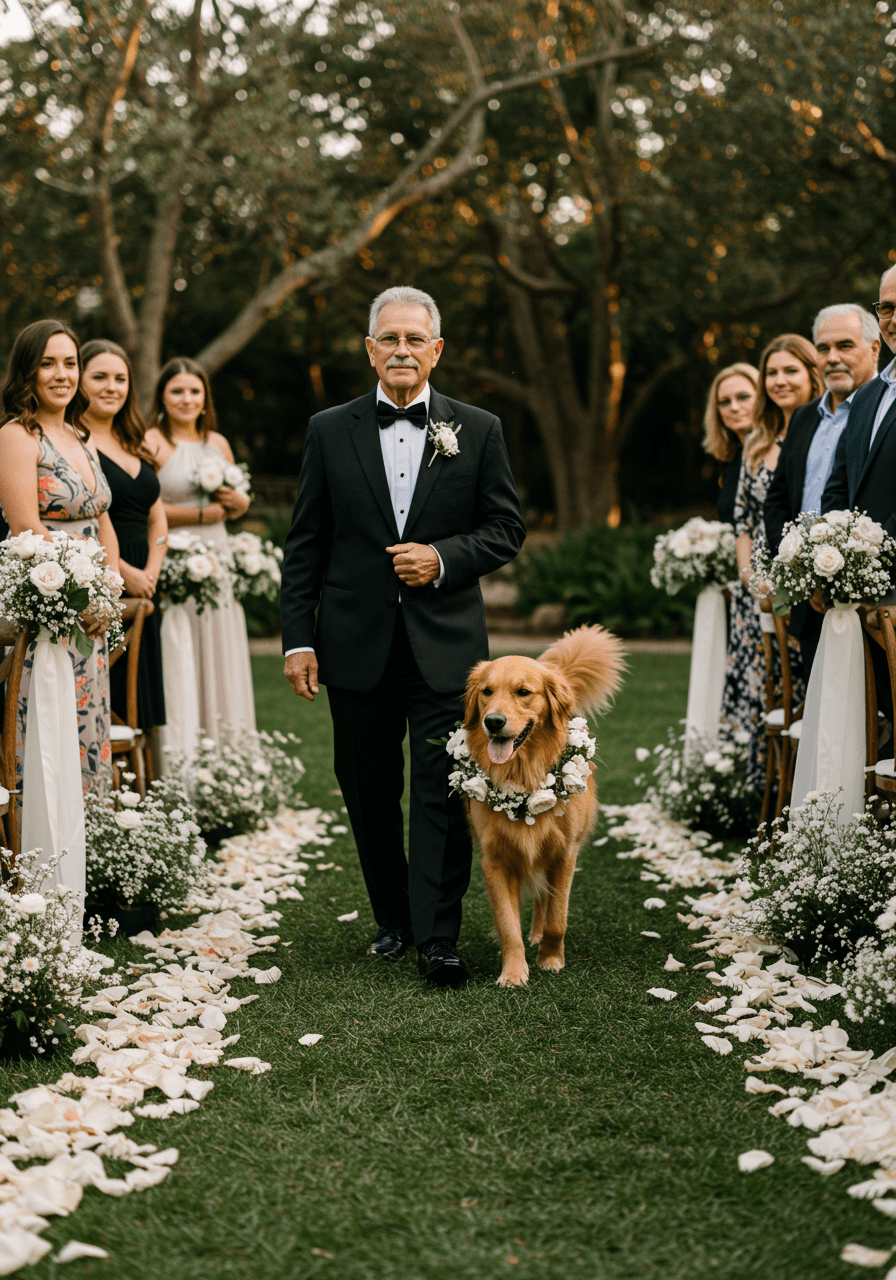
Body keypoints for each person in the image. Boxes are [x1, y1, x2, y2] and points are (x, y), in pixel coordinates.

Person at [281, 285, 526, 987]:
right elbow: (306, 543)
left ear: (436, 350)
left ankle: (438, 937)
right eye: (389, 338)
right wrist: (300, 639)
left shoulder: (478, 429)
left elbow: (506, 528)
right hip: (353, 641)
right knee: (365, 784)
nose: (401, 350)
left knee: (442, 788)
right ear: (369, 350)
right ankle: (395, 919)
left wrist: (443, 558)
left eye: (415, 339)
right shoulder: (329, 430)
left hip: (446, 645)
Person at [0, 319, 120, 800]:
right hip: (50, 603)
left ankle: (90, 843)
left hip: (91, 609)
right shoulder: (15, 435)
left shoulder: (80, 435)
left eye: (69, 363)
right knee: (50, 722)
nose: (61, 374)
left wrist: (109, 593)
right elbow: (26, 524)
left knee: (87, 722)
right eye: (47, 363)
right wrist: (82, 596)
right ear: (27, 370)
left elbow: (102, 517)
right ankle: (42, 853)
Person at [721, 334, 823, 792]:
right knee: (765, 690)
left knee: (803, 686)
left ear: (811, 373)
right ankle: (767, 793)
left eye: (790, 371)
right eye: (772, 373)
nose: (779, 381)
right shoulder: (758, 441)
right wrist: (751, 579)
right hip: (758, 585)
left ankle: (809, 791)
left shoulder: (823, 431)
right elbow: (743, 520)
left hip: (807, 574)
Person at [763, 305, 880, 675]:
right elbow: (778, 499)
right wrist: (794, 568)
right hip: (807, 603)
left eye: (845, 345)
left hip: (870, 603)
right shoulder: (803, 417)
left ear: (874, 348)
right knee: (822, 714)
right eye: (823, 348)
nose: (832, 358)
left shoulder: (881, 413)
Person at [144, 357, 255, 743]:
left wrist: (239, 504)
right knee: (183, 648)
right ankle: (184, 748)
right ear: (162, 396)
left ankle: (227, 753)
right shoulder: (152, 441)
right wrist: (203, 513)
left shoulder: (217, 443)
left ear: (205, 398)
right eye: (177, 391)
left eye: (194, 391)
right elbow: (146, 507)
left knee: (220, 648)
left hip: (218, 557)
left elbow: (238, 502)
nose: (186, 399)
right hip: (176, 560)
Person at [74, 339, 168, 742]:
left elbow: (158, 516)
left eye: (120, 379)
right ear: (79, 382)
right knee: (109, 694)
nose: (111, 387)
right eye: (99, 377)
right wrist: (124, 573)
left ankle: (142, 794)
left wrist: (151, 572)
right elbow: (92, 515)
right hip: (106, 573)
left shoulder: (137, 441)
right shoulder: (74, 441)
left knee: (139, 696)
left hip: (147, 579)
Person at [822, 266, 896, 713]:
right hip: (861, 600)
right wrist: (827, 551)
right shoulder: (868, 395)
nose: (893, 318)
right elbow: (838, 486)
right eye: (886, 307)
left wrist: (871, 558)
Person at [702, 362, 759, 526]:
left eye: (743, 397)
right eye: (725, 402)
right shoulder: (731, 459)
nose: (733, 407)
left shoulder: (780, 451)